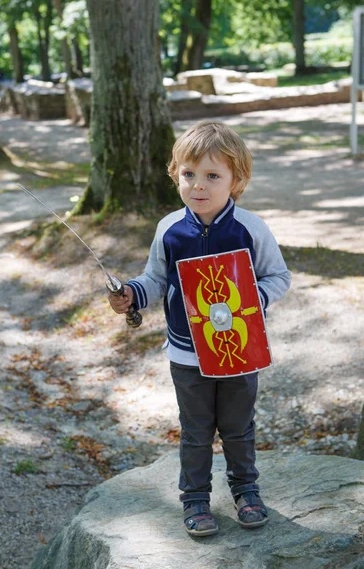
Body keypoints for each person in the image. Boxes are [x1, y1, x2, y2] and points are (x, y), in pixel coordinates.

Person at [108, 121, 290, 536]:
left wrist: (249, 302)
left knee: (238, 426)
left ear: (236, 179)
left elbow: (278, 276)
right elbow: (155, 279)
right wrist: (133, 294)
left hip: (239, 349)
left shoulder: (250, 228)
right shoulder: (170, 229)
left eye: (213, 175)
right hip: (187, 352)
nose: (199, 186)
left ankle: (246, 491)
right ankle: (194, 499)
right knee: (195, 430)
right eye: (189, 174)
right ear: (176, 174)